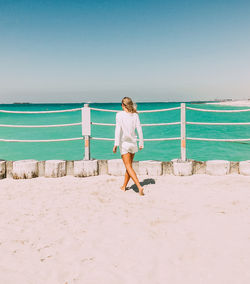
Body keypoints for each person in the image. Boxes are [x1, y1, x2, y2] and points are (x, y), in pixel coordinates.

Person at [113, 97, 145, 196]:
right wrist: (141, 143)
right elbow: (139, 129)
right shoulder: (135, 115)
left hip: (125, 144)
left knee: (128, 166)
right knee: (129, 166)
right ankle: (124, 186)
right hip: (133, 143)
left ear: (123, 105)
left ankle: (139, 186)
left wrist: (116, 144)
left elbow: (118, 130)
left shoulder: (119, 115)